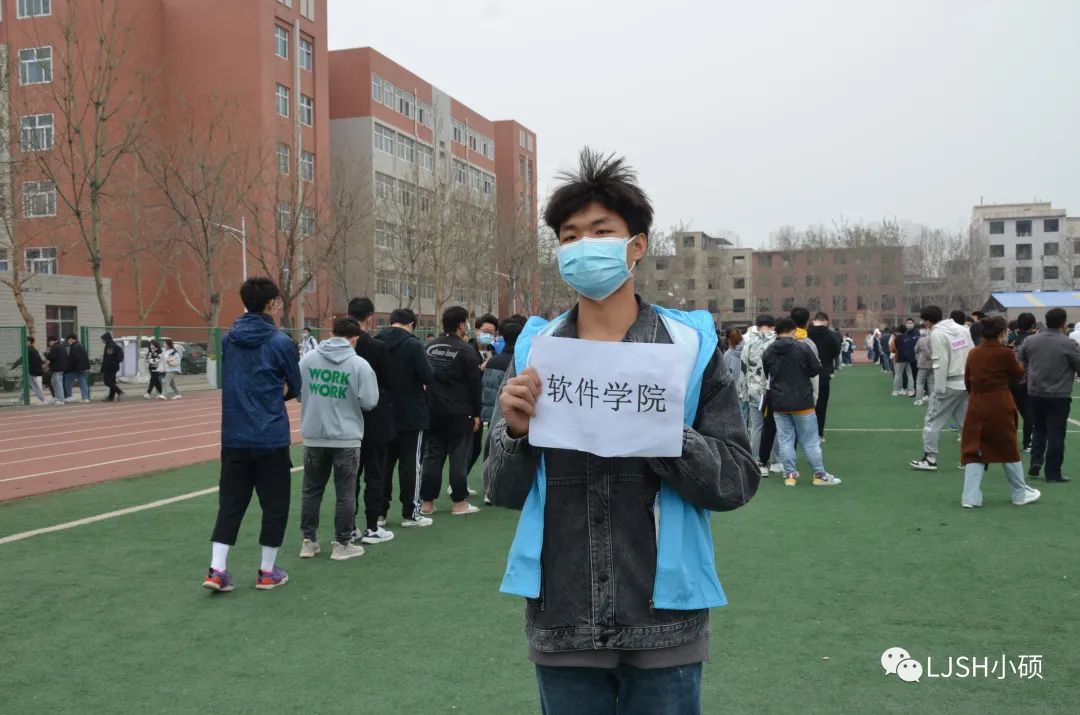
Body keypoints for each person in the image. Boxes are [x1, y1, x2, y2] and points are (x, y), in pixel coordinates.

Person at [485, 149, 759, 714]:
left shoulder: (688, 350)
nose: (584, 246)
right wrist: (515, 435)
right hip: (564, 615)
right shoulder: (537, 353)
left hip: (665, 621)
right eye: (569, 236)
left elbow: (736, 480)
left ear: (636, 246)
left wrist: (667, 432)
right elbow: (500, 490)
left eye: (601, 231)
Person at [203, 277, 302, 593]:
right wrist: (275, 394)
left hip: (234, 435)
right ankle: (267, 571)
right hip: (271, 437)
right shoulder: (281, 342)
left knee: (230, 503)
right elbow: (296, 385)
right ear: (272, 303)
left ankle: (217, 569)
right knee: (275, 505)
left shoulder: (229, 340)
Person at [298, 318, 380, 561]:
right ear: (355, 339)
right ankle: (342, 543)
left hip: (314, 435)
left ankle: (309, 541)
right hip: (346, 437)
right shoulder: (359, 364)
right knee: (345, 492)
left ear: (332, 333)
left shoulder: (308, 359)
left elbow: (299, 392)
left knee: (311, 491)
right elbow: (369, 401)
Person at [960, 316, 1041, 508]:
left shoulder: (973, 353)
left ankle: (970, 497)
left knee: (974, 449)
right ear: (1002, 333)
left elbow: (967, 381)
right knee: (1008, 448)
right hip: (999, 404)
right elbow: (1019, 373)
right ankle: (1020, 492)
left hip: (976, 404)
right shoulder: (1005, 353)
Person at [376, 308, 436, 528]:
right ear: (411, 324)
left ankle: (379, 513)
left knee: (383, 465)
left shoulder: (375, 342)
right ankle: (410, 513)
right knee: (411, 464)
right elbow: (427, 376)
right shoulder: (413, 344)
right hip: (411, 412)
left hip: (382, 411)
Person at [763, 317, 841, 487]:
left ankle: (789, 474)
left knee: (785, 440)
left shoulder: (769, 350)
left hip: (779, 401)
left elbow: (767, 373)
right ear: (793, 331)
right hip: (802, 401)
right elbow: (814, 370)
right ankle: (819, 474)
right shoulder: (802, 347)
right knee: (810, 441)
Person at [421, 305, 483, 516]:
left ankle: (427, 503)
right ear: (461, 325)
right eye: (466, 322)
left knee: (432, 456)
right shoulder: (466, 350)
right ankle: (459, 502)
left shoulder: (429, 347)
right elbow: (475, 384)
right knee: (459, 457)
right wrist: (477, 413)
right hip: (459, 411)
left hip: (433, 409)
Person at [347, 297, 397, 543]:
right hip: (374, 417)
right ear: (370, 317)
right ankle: (372, 526)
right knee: (374, 475)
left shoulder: (337, 347)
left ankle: (349, 526)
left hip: (346, 417)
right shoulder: (376, 347)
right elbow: (387, 381)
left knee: (350, 478)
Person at [1018, 307, 1080, 484]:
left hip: (1035, 392)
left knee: (1039, 428)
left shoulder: (1031, 340)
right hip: (1059, 394)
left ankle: (1036, 461)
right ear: (1063, 323)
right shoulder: (1069, 344)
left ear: (1046, 321)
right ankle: (1053, 472)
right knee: (1056, 433)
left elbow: (1021, 360)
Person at [910, 306, 973, 471]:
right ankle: (970, 458)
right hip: (965, 382)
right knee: (965, 422)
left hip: (948, 383)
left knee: (931, 421)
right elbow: (972, 353)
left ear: (927, 321)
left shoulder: (937, 334)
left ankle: (930, 458)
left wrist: (938, 390)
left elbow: (940, 361)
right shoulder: (963, 329)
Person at [480, 319, 522, 501]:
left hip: (492, 410)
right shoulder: (521, 361)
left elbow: (487, 388)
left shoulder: (494, 361)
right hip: (514, 413)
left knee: (491, 444)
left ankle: (489, 485)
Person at [741, 314, 780, 477]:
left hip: (753, 389)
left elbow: (743, 367)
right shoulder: (777, 341)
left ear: (757, 326)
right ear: (772, 325)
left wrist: (743, 391)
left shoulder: (749, 342)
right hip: (771, 390)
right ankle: (776, 461)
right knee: (775, 425)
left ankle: (756, 460)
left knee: (757, 426)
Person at [466, 313, 500, 478]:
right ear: (477, 331)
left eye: (492, 333)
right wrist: (479, 369)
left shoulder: (495, 352)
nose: (488, 335)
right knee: (471, 445)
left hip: (489, 404)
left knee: (481, 447)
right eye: (485, 331)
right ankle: (457, 482)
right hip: (471, 403)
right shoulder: (467, 350)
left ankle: (459, 481)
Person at [807, 311, 841, 441]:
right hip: (823, 372)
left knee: (804, 405)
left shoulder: (806, 333)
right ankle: (818, 434)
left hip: (805, 373)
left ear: (813, 320)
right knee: (821, 406)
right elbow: (836, 352)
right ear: (826, 321)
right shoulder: (831, 335)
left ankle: (803, 433)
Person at [1010, 312, 1038, 451]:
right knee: (1028, 414)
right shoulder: (1034, 340)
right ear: (1032, 325)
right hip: (1026, 381)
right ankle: (1027, 443)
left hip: (1010, 380)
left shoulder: (1011, 338)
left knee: (1009, 414)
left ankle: (1008, 442)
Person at [722, 328, 749, 428]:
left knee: (734, 417)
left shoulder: (728, 354)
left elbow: (724, 373)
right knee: (745, 416)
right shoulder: (748, 350)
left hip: (733, 390)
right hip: (747, 388)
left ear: (729, 339)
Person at [897, 318, 920, 398]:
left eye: (910, 323)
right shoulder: (905, 334)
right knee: (913, 375)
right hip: (909, 359)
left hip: (918, 358)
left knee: (919, 375)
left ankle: (922, 391)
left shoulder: (917, 333)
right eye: (907, 323)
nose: (909, 324)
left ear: (913, 323)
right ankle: (915, 390)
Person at [21, 336, 48, 405]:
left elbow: (22, 359)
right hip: (34, 370)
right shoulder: (34, 349)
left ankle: (42, 399)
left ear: (29, 342)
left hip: (32, 371)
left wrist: (14, 366)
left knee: (34, 385)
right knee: (28, 385)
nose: (23, 342)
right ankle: (20, 398)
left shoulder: (28, 349)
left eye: (25, 341)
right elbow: (39, 360)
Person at [99, 333, 124, 402]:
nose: (102, 341)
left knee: (108, 382)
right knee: (112, 382)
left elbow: (108, 358)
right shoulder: (112, 344)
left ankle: (120, 392)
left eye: (103, 340)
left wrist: (105, 368)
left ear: (106, 339)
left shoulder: (110, 346)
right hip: (114, 366)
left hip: (110, 367)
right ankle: (111, 397)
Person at [913, 327, 933, 406]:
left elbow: (916, 349)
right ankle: (932, 400)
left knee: (920, 382)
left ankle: (919, 399)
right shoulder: (935, 340)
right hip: (932, 363)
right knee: (932, 382)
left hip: (922, 363)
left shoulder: (921, 340)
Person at [45, 337, 68, 405]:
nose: (49, 344)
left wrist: (46, 354)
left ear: (51, 341)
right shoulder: (62, 346)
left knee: (58, 383)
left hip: (57, 368)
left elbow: (52, 357)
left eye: (49, 342)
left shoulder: (54, 347)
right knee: (54, 381)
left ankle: (60, 399)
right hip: (61, 367)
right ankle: (57, 398)